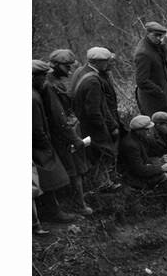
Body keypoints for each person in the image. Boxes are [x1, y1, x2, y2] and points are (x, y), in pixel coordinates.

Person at [43, 49, 92, 216]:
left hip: (68, 131)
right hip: (63, 135)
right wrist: (74, 138)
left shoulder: (56, 79)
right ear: (56, 65)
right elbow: (59, 117)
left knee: (77, 168)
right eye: (67, 67)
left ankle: (78, 202)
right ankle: (78, 205)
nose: (70, 71)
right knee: (73, 169)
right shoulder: (50, 84)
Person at [119, 115, 167, 222]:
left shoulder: (139, 138)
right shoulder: (131, 145)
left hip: (144, 167)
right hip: (133, 176)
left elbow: (146, 158)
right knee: (165, 175)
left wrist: (159, 163)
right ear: (139, 131)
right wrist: (160, 168)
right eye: (147, 130)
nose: (149, 132)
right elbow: (138, 170)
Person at [71, 46, 122, 193]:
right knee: (103, 152)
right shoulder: (93, 80)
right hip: (92, 125)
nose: (108, 65)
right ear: (98, 62)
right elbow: (95, 110)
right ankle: (103, 184)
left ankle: (99, 182)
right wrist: (105, 128)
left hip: (81, 121)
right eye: (106, 62)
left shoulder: (81, 71)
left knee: (93, 154)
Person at [32, 60, 76, 223]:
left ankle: (48, 211)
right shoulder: (33, 97)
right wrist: (45, 143)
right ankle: (54, 212)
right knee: (50, 175)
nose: (44, 80)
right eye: (41, 77)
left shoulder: (34, 93)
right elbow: (36, 128)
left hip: (37, 143)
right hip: (38, 145)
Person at [134, 21, 167, 118]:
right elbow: (142, 81)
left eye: (161, 36)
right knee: (158, 127)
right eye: (156, 35)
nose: (159, 38)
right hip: (152, 99)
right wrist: (160, 92)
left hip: (160, 96)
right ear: (147, 34)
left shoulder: (156, 47)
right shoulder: (143, 53)